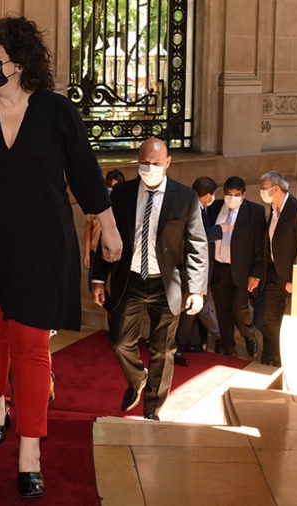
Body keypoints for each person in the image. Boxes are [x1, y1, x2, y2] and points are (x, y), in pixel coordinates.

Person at [0, 16, 121, 499]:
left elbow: (85, 173)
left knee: (31, 344)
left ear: (19, 61)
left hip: (41, 244)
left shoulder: (57, 111)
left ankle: (29, 450)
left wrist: (110, 227)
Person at [91, 137, 208, 421]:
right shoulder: (122, 193)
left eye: (156, 163)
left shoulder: (185, 197)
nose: (149, 168)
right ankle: (137, 378)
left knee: (162, 350)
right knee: (120, 342)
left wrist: (197, 290)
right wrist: (98, 279)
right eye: (144, 162)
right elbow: (107, 236)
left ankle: (152, 412)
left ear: (168, 162)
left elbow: (197, 244)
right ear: (137, 162)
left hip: (167, 284)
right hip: (130, 280)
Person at [206, 176, 265, 358]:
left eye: (236, 194)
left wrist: (256, 274)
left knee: (239, 308)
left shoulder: (255, 212)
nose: (232, 198)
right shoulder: (214, 208)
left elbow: (260, 247)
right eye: (228, 194)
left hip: (242, 271)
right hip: (219, 269)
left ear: (244, 194)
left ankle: (249, 336)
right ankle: (229, 350)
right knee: (222, 311)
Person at [174, 176, 224, 363]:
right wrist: (220, 230)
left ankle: (189, 343)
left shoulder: (194, 205)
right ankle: (179, 346)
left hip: (194, 270)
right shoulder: (194, 209)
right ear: (208, 195)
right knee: (193, 310)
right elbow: (200, 236)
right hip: (194, 271)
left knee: (194, 310)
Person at [257, 171, 297, 367]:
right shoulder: (273, 209)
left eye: (264, 188)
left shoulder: (296, 209)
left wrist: (294, 278)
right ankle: (282, 350)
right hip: (274, 272)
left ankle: (284, 356)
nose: (262, 192)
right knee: (267, 317)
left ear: (275, 189)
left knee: (291, 319)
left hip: (290, 277)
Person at [85, 170, 125, 290]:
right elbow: (89, 226)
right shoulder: (98, 203)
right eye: (109, 187)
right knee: (94, 284)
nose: (111, 191)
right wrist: (87, 252)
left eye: (115, 187)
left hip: (117, 249)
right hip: (96, 249)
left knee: (116, 286)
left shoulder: (124, 204)